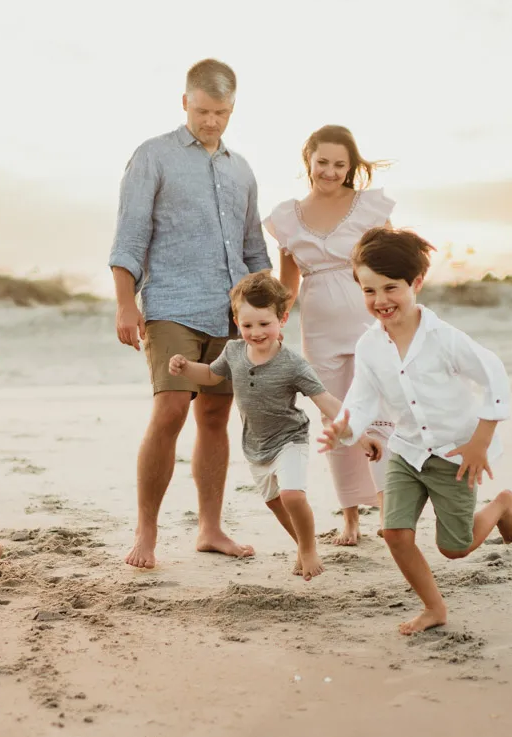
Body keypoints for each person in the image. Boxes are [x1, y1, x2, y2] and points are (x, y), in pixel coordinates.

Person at [317, 227, 512, 635]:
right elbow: (362, 397)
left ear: (416, 283)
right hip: (408, 451)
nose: (380, 301)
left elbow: (494, 374)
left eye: (390, 288)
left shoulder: (444, 339)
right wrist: (344, 428)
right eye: (368, 290)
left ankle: (501, 504)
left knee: (455, 548)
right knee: (394, 532)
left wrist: (480, 442)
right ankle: (434, 608)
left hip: (455, 453)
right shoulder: (370, 346)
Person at [108, 58, 271, 569]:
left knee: (217, 416)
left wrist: (271, 315)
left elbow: (254, 249)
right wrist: (124, 304)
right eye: (202, 110)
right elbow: (130, 238)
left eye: (221, 112)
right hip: (172, 306)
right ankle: (147, 532)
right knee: (171, 409)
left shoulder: (241, 168)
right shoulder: (152, 157)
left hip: (231, 312)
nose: (211, 122)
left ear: (232, 109)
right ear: (185, 102)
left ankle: (210, 528)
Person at [169, 274, 378, 580]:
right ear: (237, 321)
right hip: (255, 447)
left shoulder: (293, 364)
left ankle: (308, 550)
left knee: (292, 495)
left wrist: (359, 434)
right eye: (248, 325)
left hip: (290, 439)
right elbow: (212, 377)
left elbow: (327, 402)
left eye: (265, 324)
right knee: (276, 502)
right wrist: (187, 368)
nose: (256, 332)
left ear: (282, 319)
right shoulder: (233, 352)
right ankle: (301, 544)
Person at [264, 125, 395, 545]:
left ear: (351, 166)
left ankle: (389, 510)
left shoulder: (369, 208)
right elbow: (288, 284)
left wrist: (396, 312)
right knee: (336, 419)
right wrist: (274, 325)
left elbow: (394, 263)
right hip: (317, 326)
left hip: (368, 320)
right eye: (323, 162)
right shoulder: (287, 217)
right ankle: (351, 518)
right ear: (310, 161)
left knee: (378, 413)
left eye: (340, 164)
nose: (331, 171)